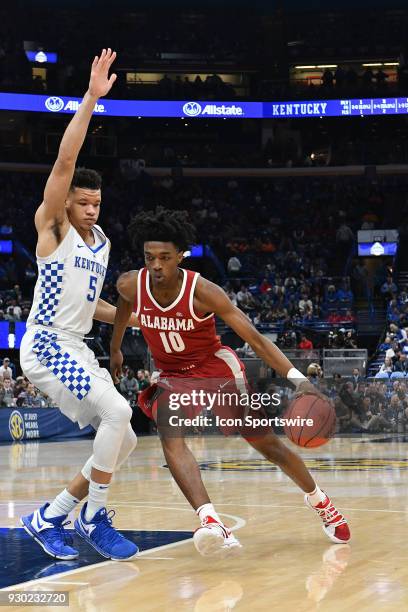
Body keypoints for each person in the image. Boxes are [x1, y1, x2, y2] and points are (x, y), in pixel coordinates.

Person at [110, 209, 350, 557]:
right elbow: (122, 306)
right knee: (168, 432)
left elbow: (255, 339)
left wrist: (299, 380)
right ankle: (211, 522)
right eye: (150, 258)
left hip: (215, 370)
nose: (157, 265)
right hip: (174, 376)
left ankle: (321, 501)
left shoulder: (204, 292)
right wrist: (115, 349)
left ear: (181, 255)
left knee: (266, 444)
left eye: (165, 257)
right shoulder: (131, 283)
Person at [19, 49, 139, 562]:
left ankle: (49, 516)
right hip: (46, 344)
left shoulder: (102, 243)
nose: (90, 209)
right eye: (83, 202)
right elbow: (65, 162)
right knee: (117, 409)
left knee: (125, 438)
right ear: (66, 201)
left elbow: (93, 309)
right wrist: (91, 97)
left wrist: (141, 316)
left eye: (97, 203)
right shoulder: (54, 227)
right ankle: (93, 516)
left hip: (77, 344)